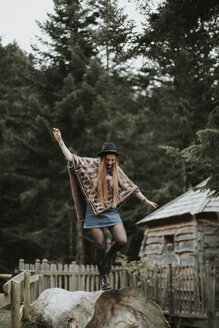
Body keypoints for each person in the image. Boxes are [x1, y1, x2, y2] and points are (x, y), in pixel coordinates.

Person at [52, 128, 158, 290]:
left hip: (110, 211)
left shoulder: (117, 171)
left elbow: (131, 186)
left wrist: (145, 201)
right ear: (102, 158)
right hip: (93, 211)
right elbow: (71, 158)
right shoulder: (92, 165)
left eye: (113, 160)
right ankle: (103, 279)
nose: (110, 162)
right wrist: (60, 141)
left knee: (122, 240)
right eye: (108, 159)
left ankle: (109, 257)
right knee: (99, 244)